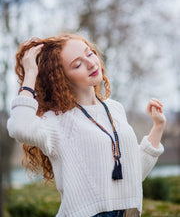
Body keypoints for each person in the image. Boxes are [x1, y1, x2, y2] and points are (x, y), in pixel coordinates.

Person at [7, 33, 166, 217]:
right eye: (77, 64)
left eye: (89, 54)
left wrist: (158, 127)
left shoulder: (114, 109)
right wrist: (31, 75)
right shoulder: (58, 120)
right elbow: (20, 126)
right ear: (61, 77)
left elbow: (131, 175)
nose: (91, 63)